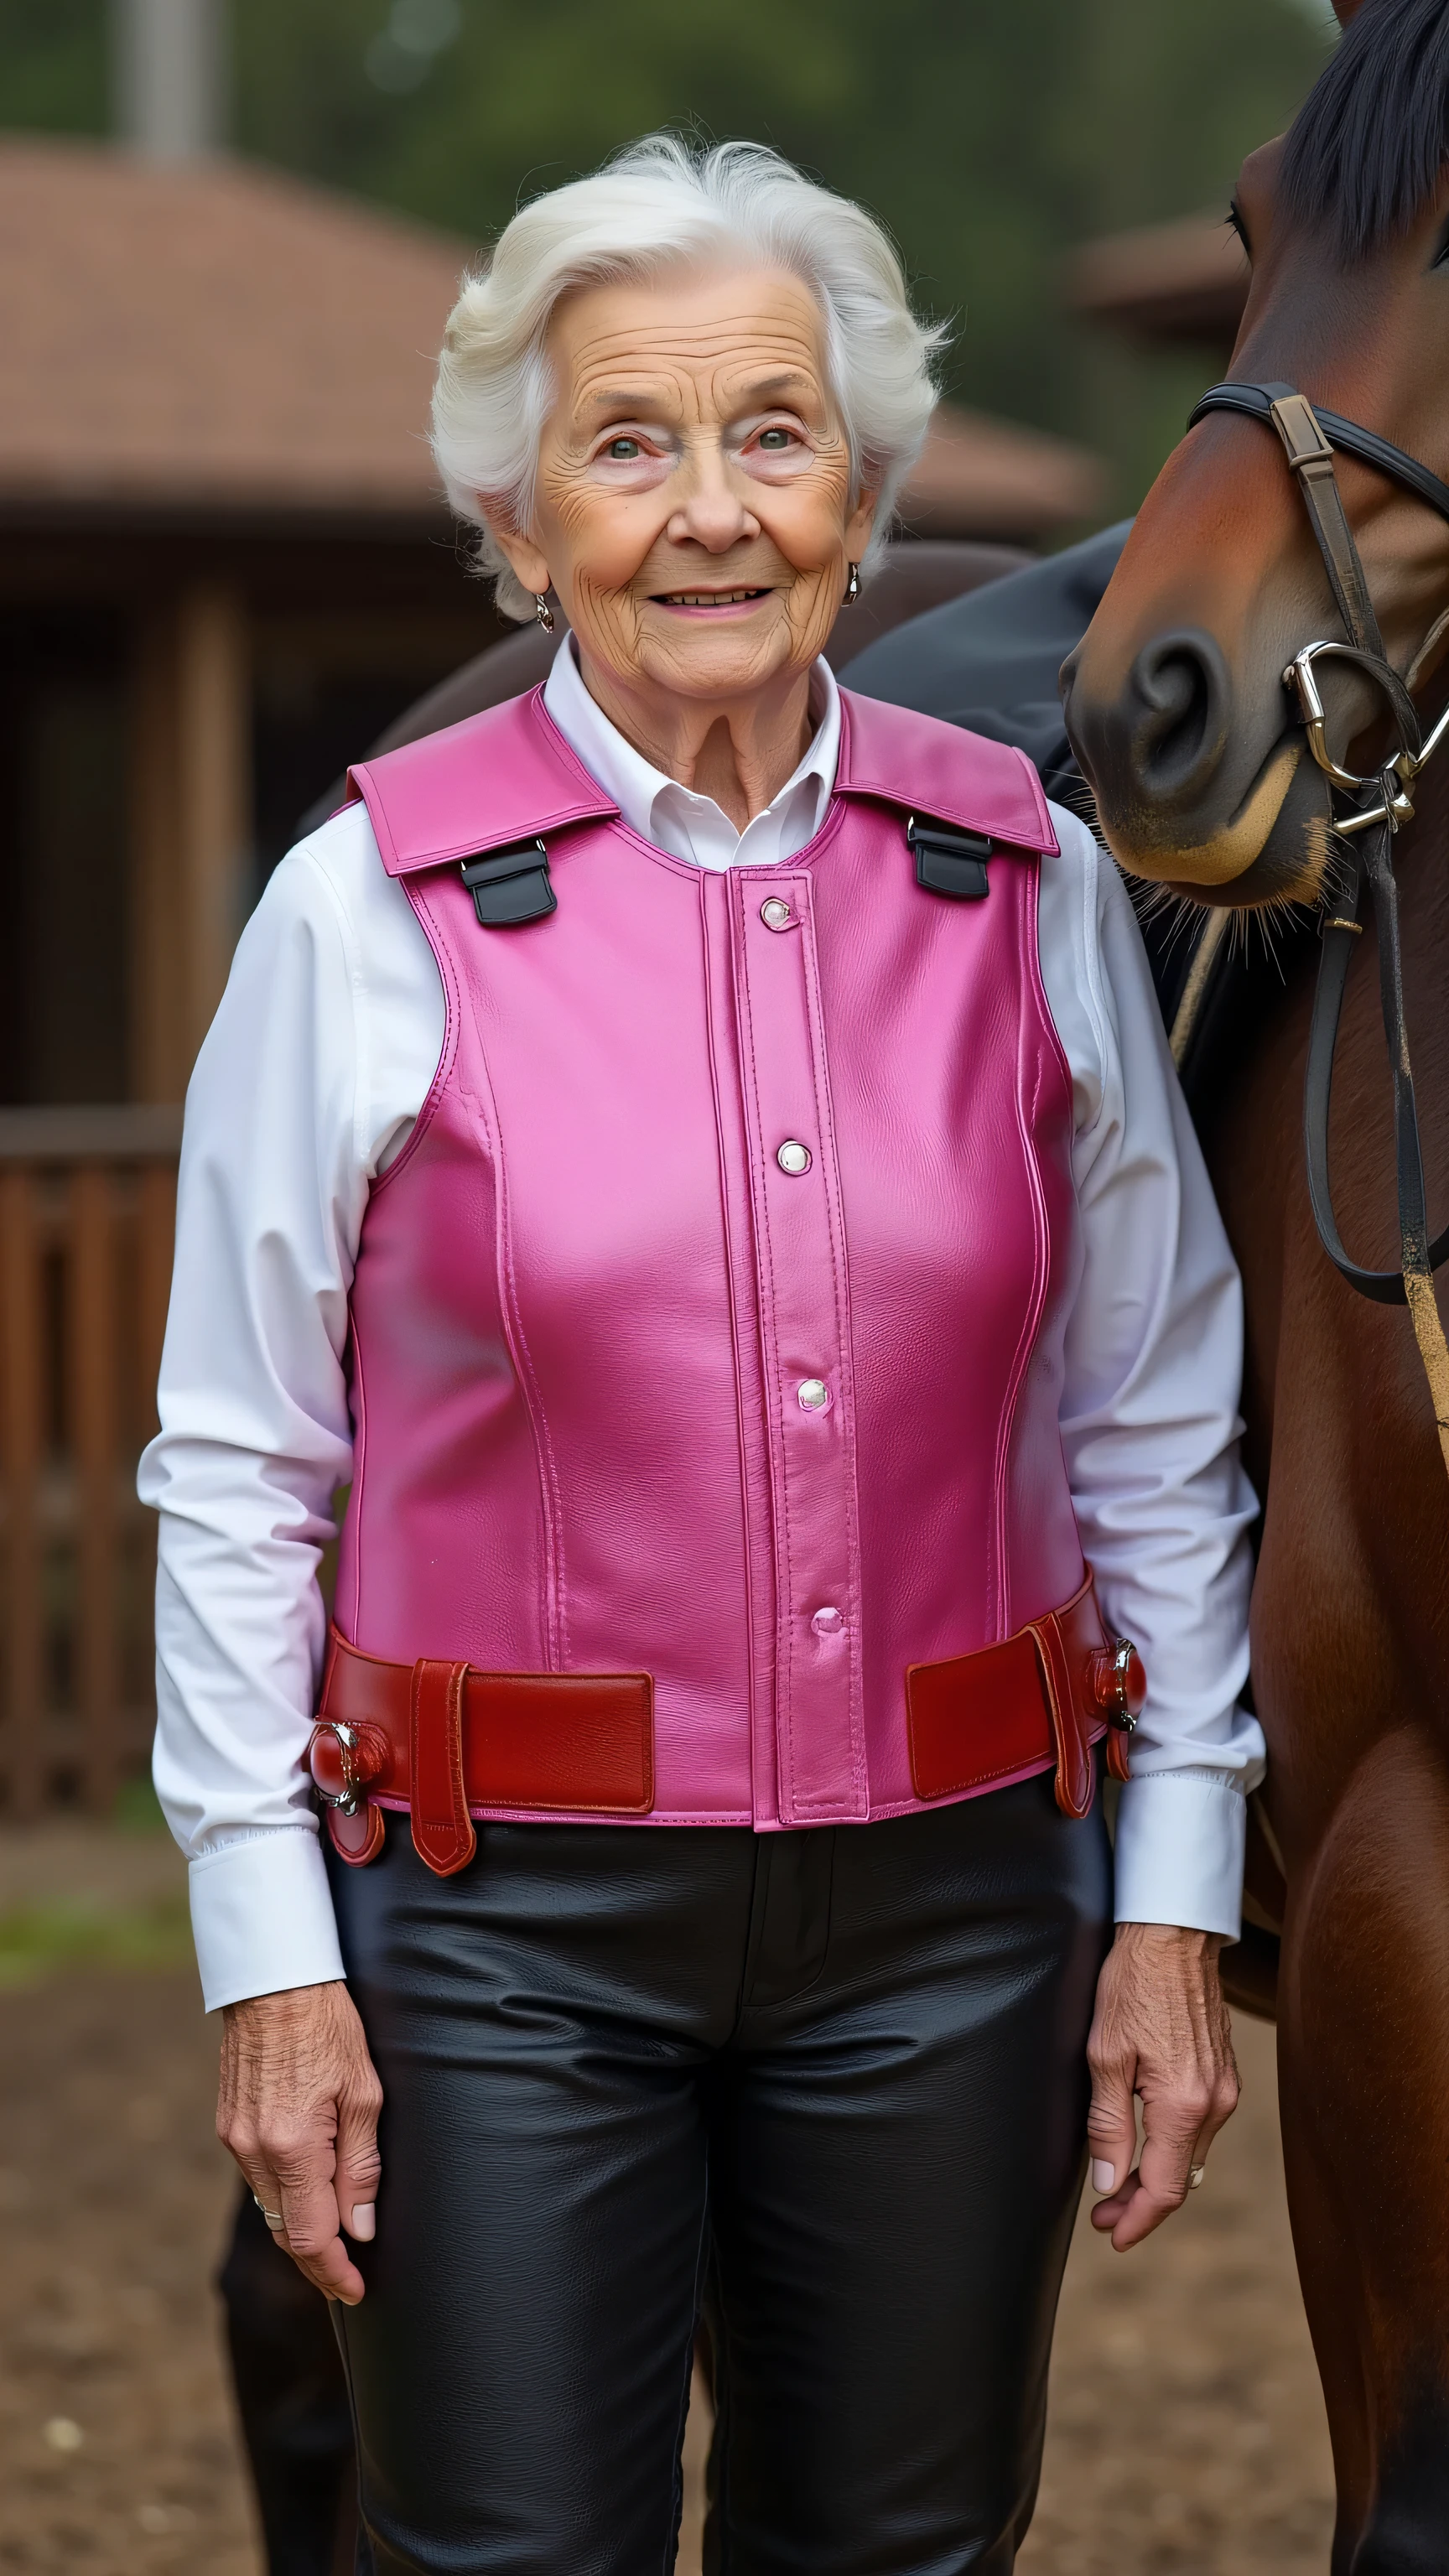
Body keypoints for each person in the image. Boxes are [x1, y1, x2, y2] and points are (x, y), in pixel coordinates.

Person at [142, 136, 1264, 2575]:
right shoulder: (363, 907)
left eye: (776, 432)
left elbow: (1157, 1432)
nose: (713, 510)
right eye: (628, 445)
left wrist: (1168, 1904)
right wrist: (272, 1970)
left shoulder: (1032, 883)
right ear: (518, 523)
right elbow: (241, 1469)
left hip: (967, 1920)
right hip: (497, 1932)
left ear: (861, 488)